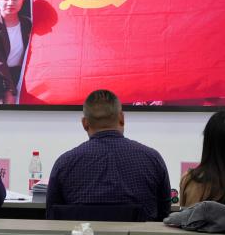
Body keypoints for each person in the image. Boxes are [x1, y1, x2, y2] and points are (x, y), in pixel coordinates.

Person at [45, 90, 171, 221]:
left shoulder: (64, 164)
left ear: (85, 123)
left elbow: (52, 218)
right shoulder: (152, 159)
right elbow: (165, 217)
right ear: (121, 118)